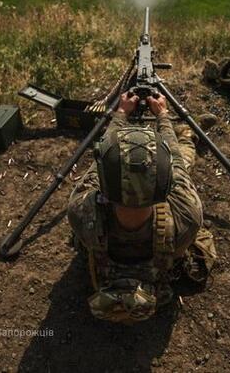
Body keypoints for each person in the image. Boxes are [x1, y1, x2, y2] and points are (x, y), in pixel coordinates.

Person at [67, 91, 217, 323]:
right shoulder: (187, 215)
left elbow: (100, 163)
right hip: (166, 254)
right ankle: (188, 134)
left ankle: (186, 134)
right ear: (165, 184)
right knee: (184, 158)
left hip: (102, 258)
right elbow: (176, 162)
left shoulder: (79, 211)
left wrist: (121, 113)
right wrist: (163, 115)